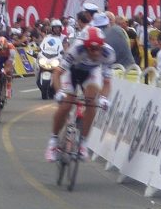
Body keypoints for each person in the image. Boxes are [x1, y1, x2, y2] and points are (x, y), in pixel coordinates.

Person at [46, 26, 115, 161]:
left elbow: (106, 82)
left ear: (102, 46)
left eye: (98, 49)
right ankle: (53, 141)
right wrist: (59, 91)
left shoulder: (108, 53)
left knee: (91, 103)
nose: (95, 53)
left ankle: (83, 142)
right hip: (71, 72)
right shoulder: (76, 50)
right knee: (66, 105)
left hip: (91, 73)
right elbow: (57, 73)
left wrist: (103, 98)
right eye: (92, 49)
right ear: (85, 46)